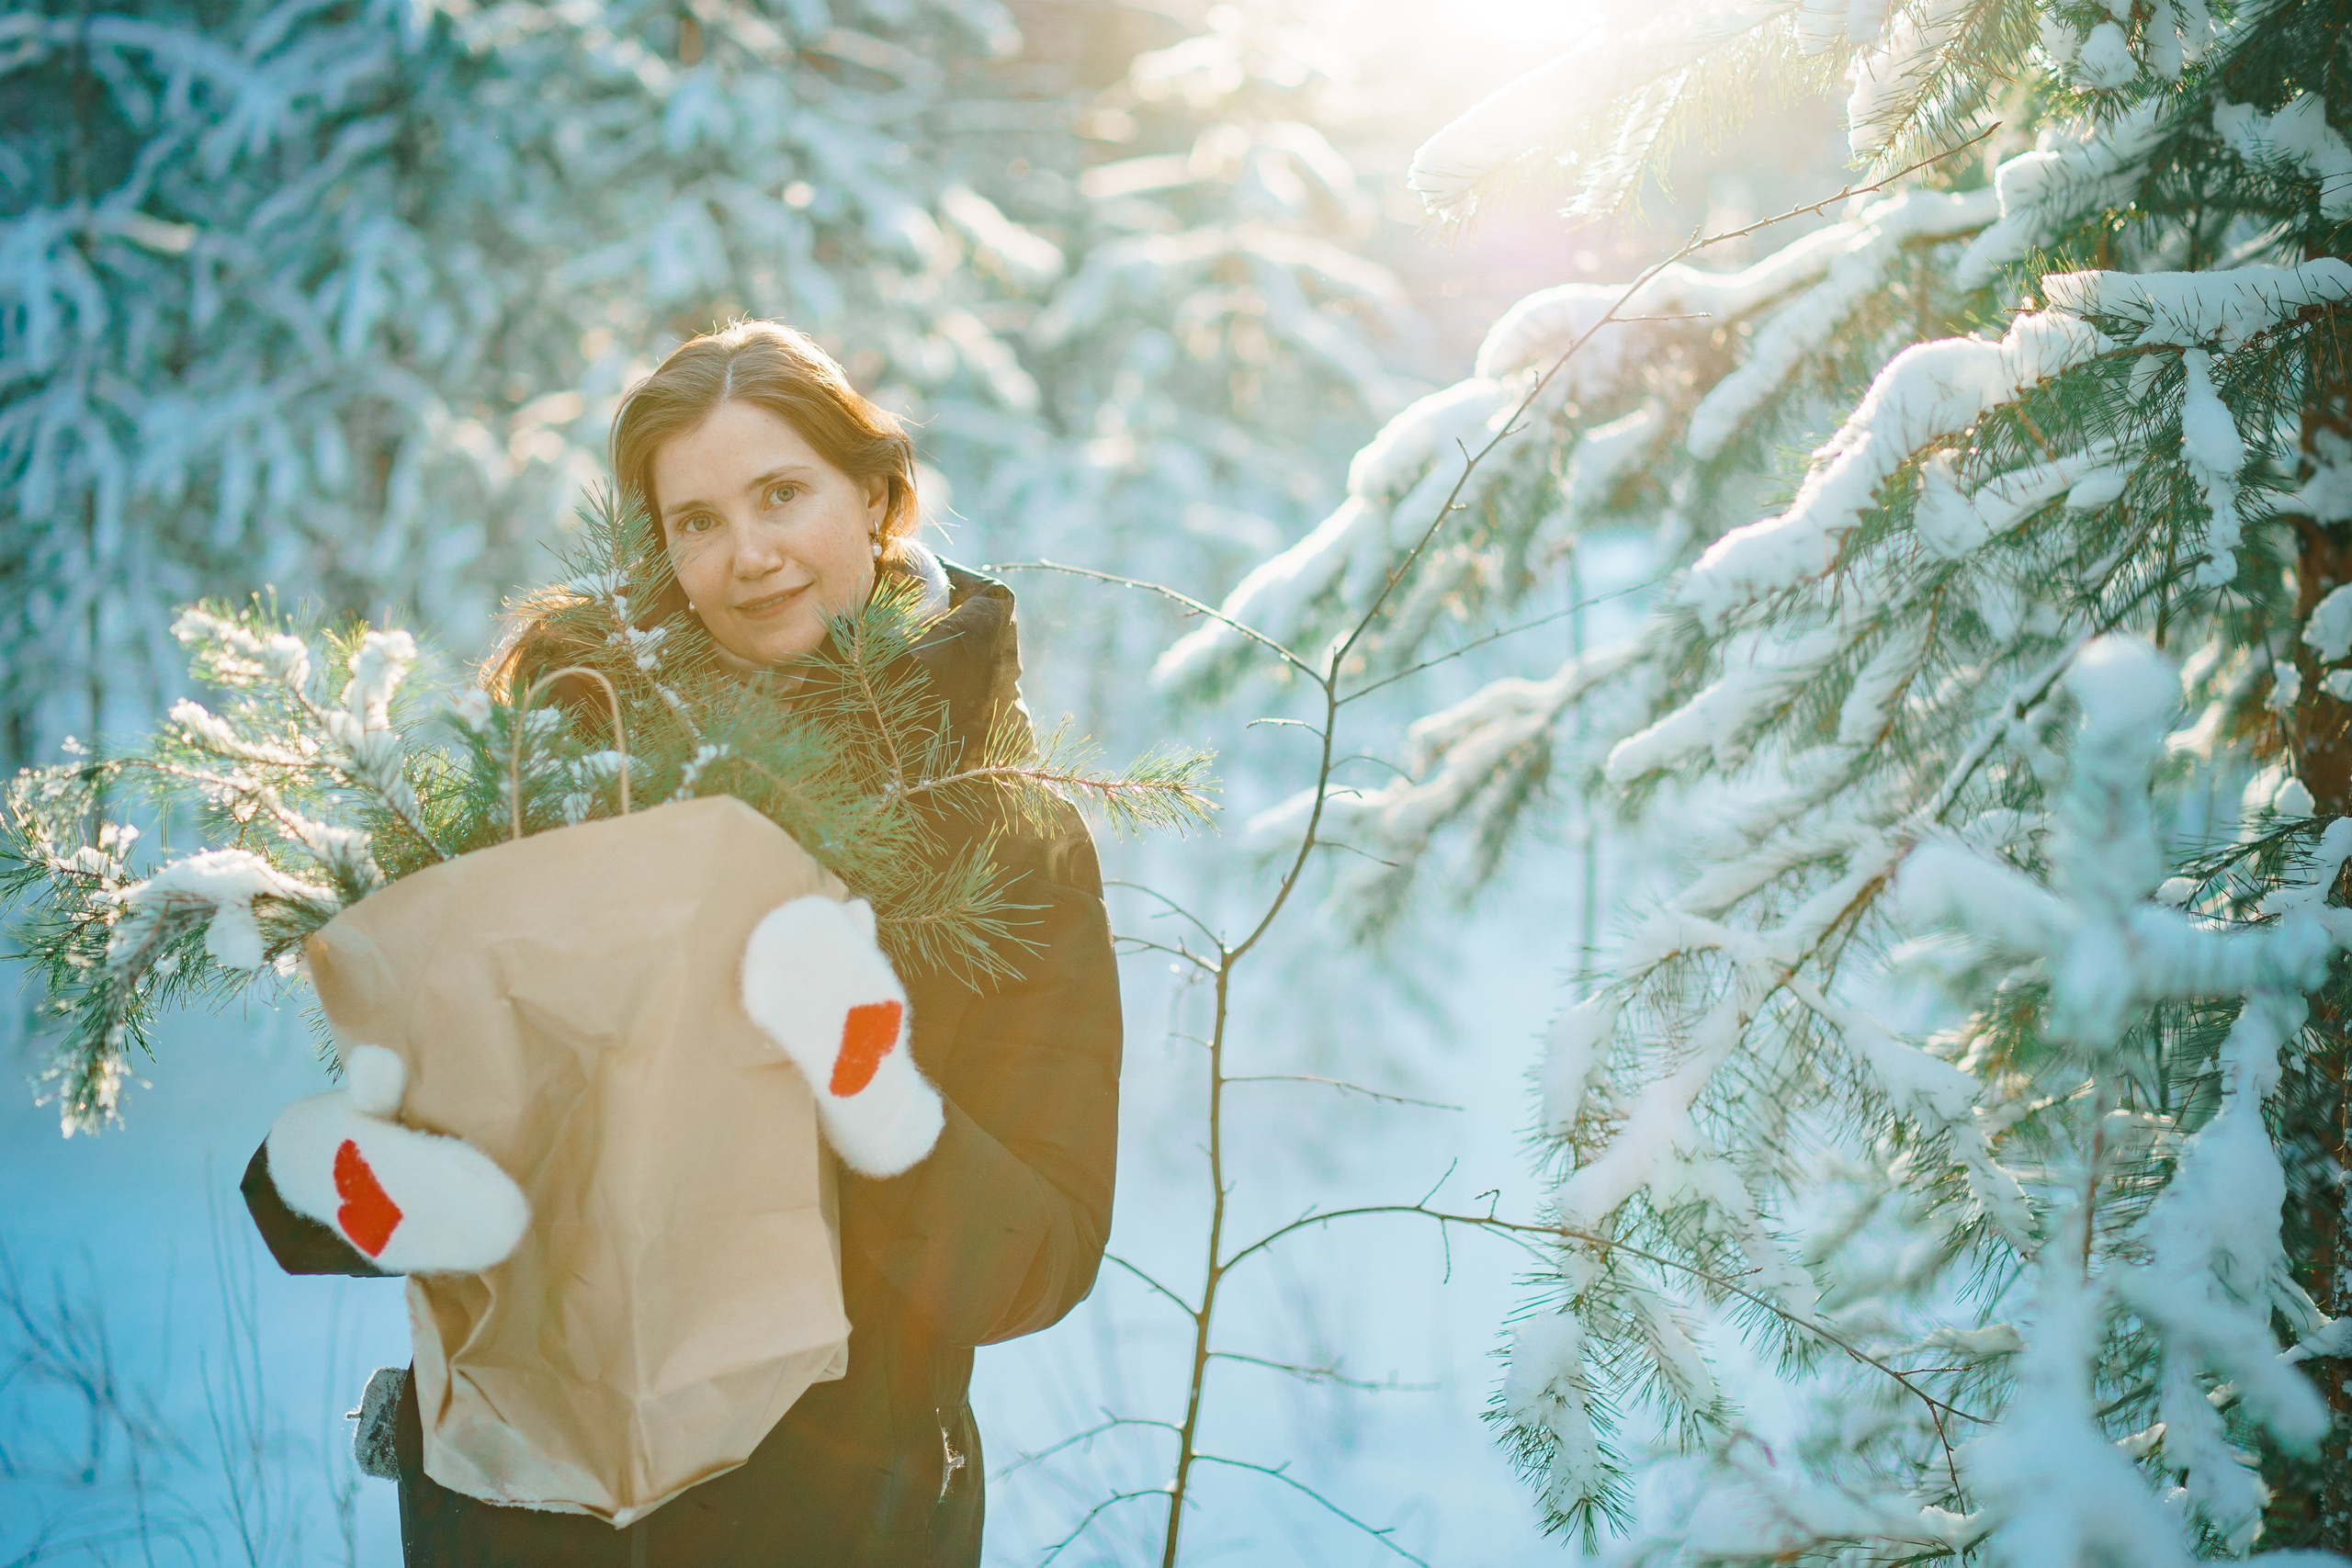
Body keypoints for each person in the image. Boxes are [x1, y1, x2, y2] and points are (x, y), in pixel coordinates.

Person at [240, 321, 1123, 1566]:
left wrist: (864, 1089)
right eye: (696, 520)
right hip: (525, 1511)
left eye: (782, 494)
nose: (747, 554)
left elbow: (1034, 1262)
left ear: (874, 495)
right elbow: (394, 1155)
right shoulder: (556, 776)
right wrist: (352, 1190)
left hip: (835, 1524)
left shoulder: (1007, 836)